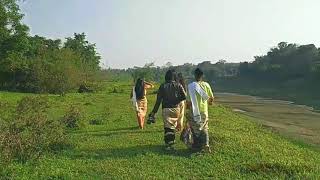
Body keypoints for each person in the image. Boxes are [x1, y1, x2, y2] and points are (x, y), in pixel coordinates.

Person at [149, 70, 186, 151]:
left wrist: (153, 112)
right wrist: (176, 100)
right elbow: (184, 96)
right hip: (176, 109)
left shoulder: (163, 86)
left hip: (166, 109)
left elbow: (158, 101)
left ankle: (170, 145)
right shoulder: (178, 85)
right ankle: (171, 143)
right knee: (172, 126)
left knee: (168, 128)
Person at [186, 68, 214, 153]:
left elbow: (188, 102)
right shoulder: (206, 85)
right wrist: (209, 103)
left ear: (195, 75)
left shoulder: (190, 86)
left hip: (194, 111)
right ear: (202, 76)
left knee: (195, 128)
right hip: (204, 111)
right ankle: (206, 144)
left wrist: (187, 110)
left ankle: (197, 146)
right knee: (204, 127)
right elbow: (211, 98)